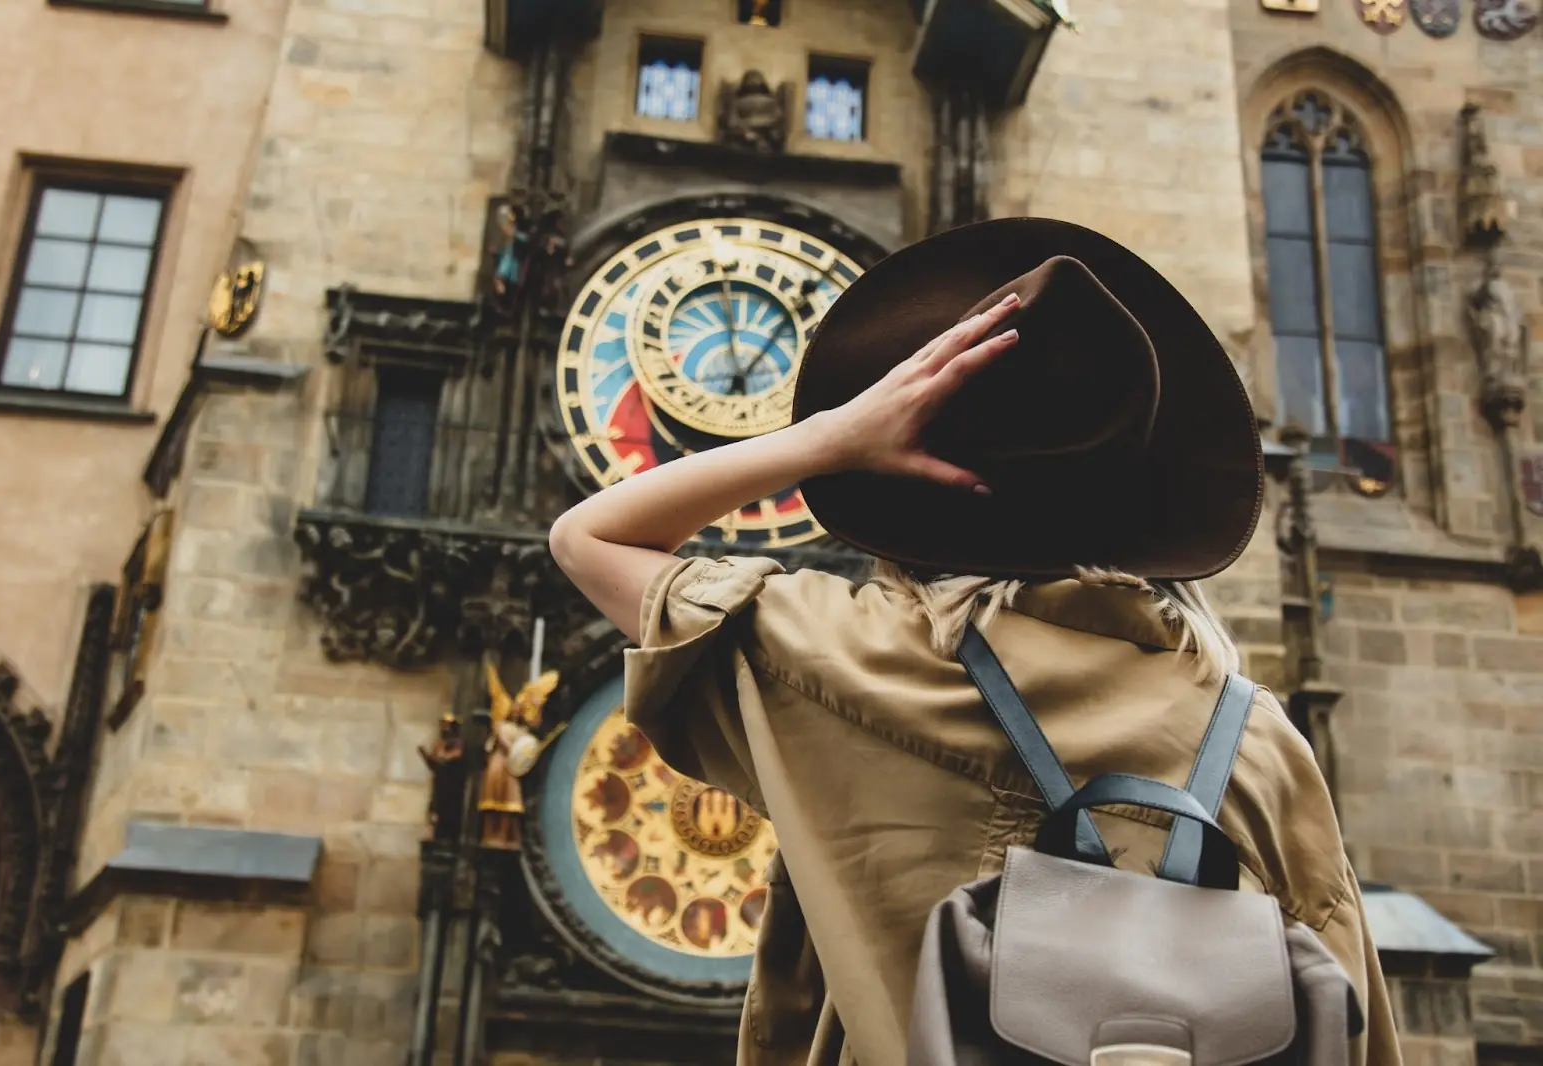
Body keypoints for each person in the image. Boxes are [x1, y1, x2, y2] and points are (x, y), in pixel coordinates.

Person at [549, 218, 1399, 1066]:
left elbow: (590, 543)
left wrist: (833, 438)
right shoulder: (1258, 740)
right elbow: (1357, 1021)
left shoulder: (851, 660)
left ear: (915, 490)